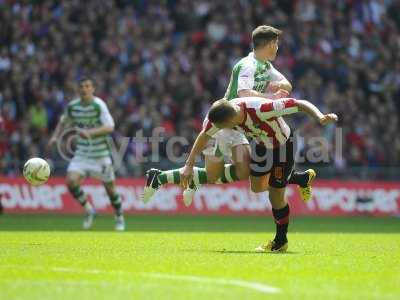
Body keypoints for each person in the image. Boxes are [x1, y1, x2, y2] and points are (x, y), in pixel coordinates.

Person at [143, 25, 315, 205]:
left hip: (239, 126)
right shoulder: (247, 66)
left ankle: (299, 179)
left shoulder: (266, 67)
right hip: (224, 122)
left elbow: (286, 83)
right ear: (270, 44)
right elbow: (244, 93)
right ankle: (160, 177)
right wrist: (271, 96)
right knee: (212, 175)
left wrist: (281, 86)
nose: (278, 48)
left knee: (244, 171)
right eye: (277, 44)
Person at [180, 97, 338, 252]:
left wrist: (320, 117)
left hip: (283, 148)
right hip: (262, 146)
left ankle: (280, 241)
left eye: (224, 127)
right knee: (256, 187)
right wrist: (189, 164)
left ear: (231, 120)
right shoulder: (226, 114)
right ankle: (301, 178)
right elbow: (204, 135)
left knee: (275, 194)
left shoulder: (261, 109)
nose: (223, 130)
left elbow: (298, 103)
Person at [48, 77, 125, 231]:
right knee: (70, 181)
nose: (84, 89)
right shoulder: (73, 107)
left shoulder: (99, 105)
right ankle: (89, 209)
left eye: (87, 86)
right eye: (81, 86)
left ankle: (119, 216)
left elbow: (110, 127)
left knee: (110, 190)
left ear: (93, 89)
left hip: (101, 154)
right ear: (78, 89)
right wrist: (55, 136)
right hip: (82, 153)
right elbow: (64, 121)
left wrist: (89, 132)